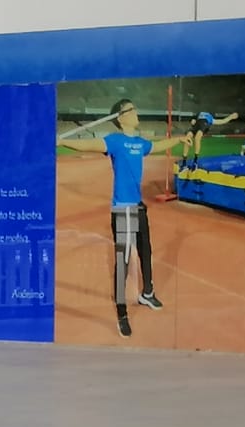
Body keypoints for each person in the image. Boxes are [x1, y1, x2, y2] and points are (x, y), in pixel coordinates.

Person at [58, 99, 186, 339]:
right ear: (121, 117)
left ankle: (147, 293)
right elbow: (89, 145)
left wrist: (179, 140)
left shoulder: (139, 143)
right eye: (132, 110)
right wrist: (62, 141)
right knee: (123, 262)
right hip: (122, 209)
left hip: (139, 207)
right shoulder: (115, 142)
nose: (137, 112)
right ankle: (122, 313)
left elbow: (158, 146)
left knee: (145, 251)